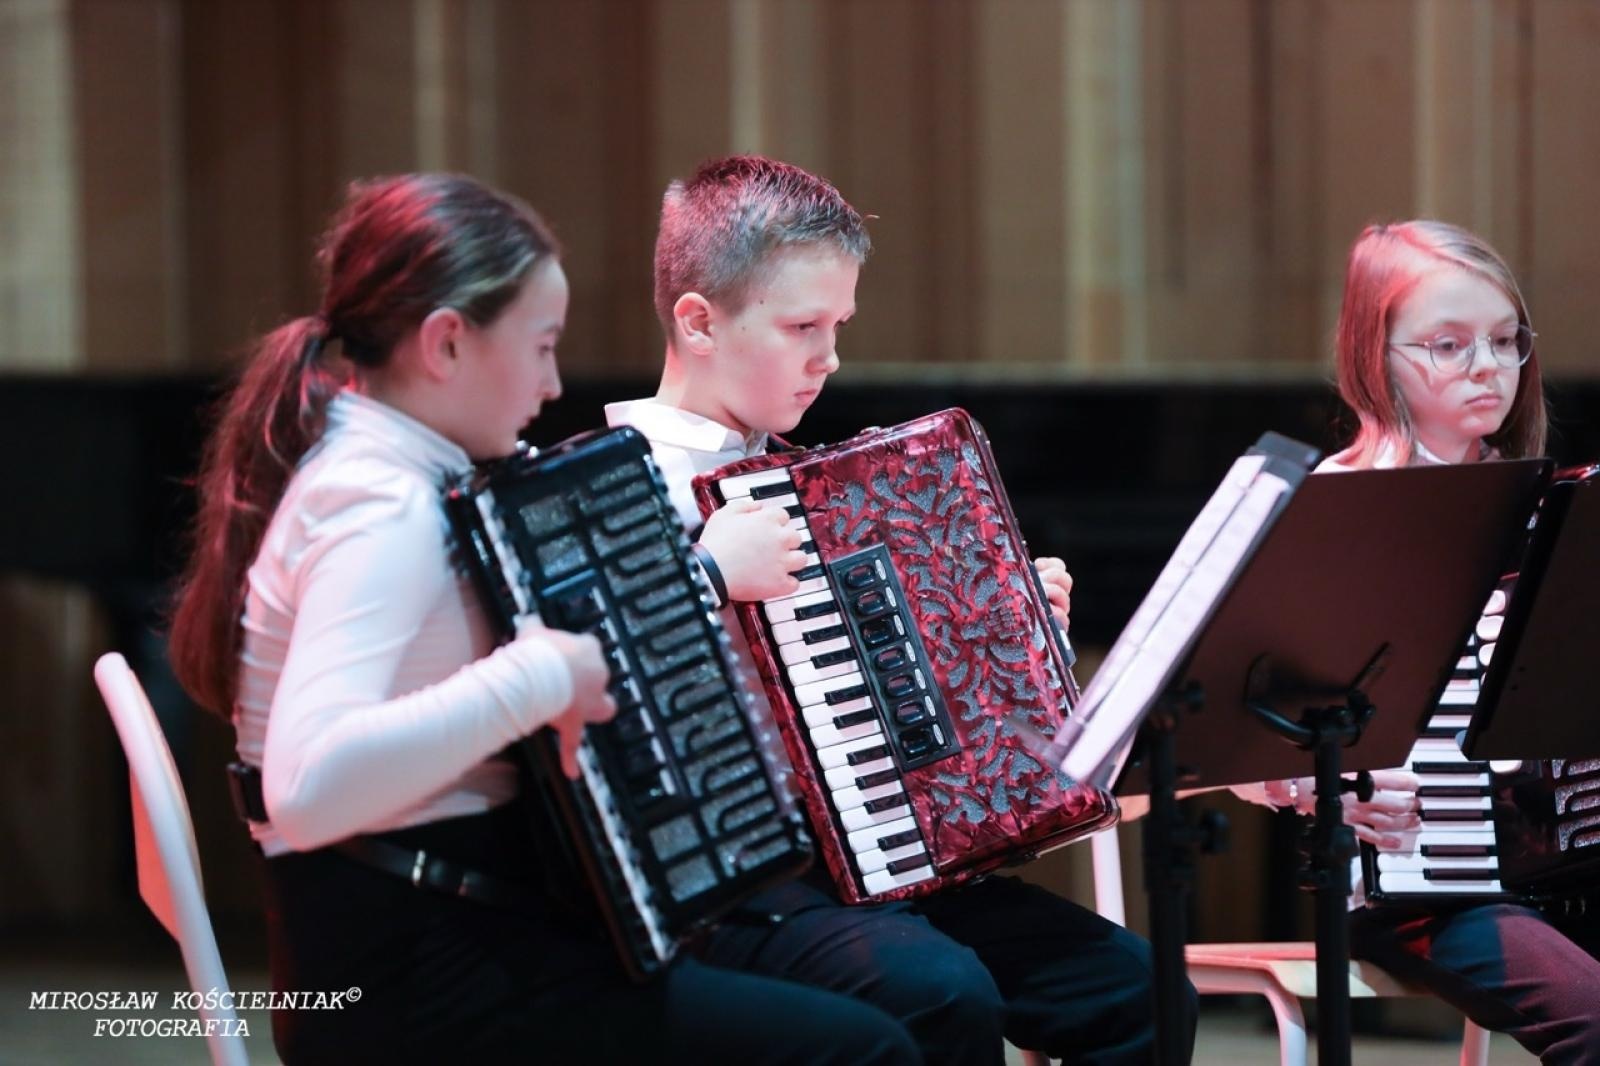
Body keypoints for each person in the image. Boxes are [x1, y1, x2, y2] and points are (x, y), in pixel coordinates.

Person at [167, 172, 919, 1065]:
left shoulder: (399, 471)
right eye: (540, 346)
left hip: (446, 930)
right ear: (446, 344)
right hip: (414, 973)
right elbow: (308, 785)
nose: (554, 379)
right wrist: (540, 676)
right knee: (862, 1048)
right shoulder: (380, 504)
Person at [606, 154, 1193, 1066]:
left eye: (837, 325)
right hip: (737, 883)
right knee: (938, 993)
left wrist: (1009, 624)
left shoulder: (824, 486)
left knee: (1136, 991)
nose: (828, 358)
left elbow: (917, 707)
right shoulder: (619, 479)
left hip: (880, 852)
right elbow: (598, 696)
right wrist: (701, 575)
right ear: (698, 320)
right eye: (801, 325)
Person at [1233, 220, 1600, 1064]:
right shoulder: (1336, 512)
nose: (1487, 367)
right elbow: (1230, 734)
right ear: (1375, 355)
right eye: (1447, 344)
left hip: (1566, 871)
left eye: (1507, 342)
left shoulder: (1552, 507)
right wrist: (1318, 787)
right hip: (1429, 891)